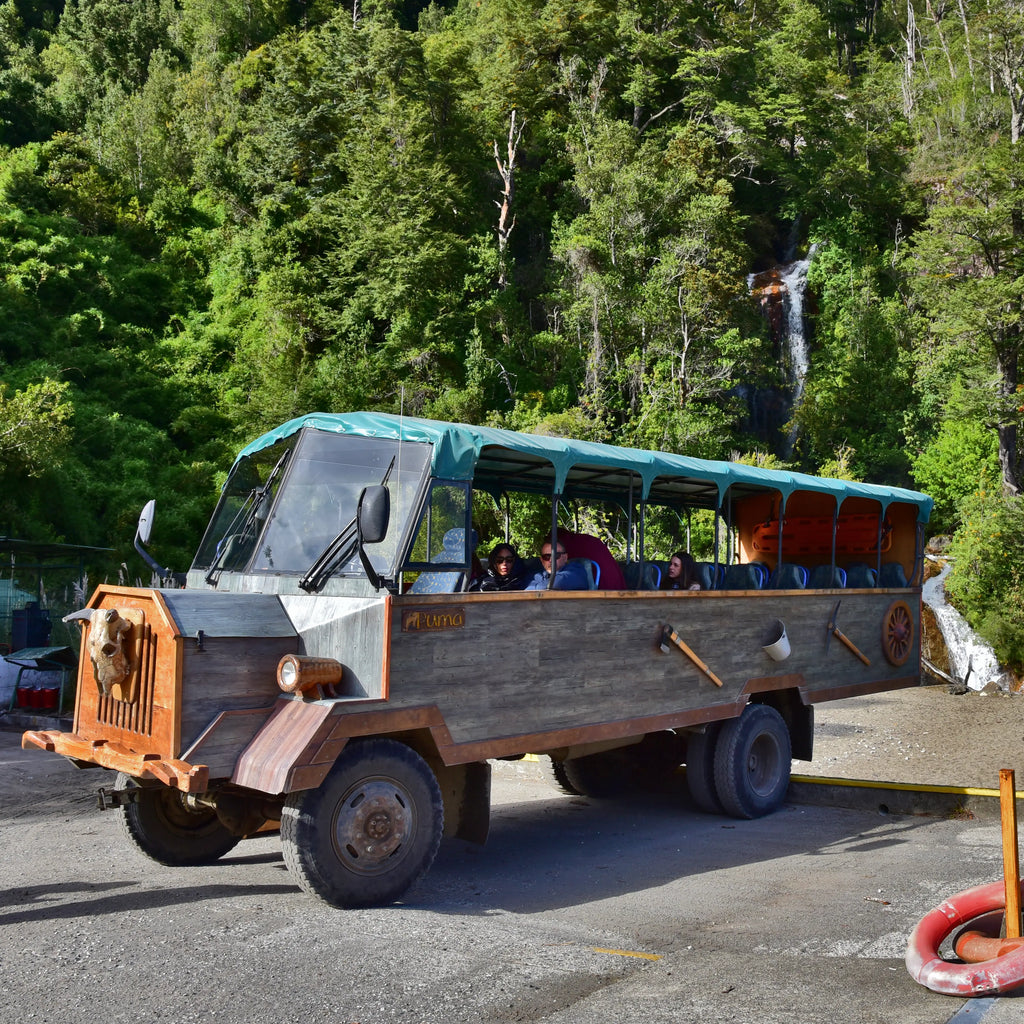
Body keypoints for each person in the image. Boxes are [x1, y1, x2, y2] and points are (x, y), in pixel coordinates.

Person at [525, 538, 591, 591]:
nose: (551, 560)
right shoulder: (538, 575)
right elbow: (526, 589)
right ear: (542, 560)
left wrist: (538, 588)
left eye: (556, 555)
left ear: (565, 557)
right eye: (546, 557)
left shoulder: (576, 570)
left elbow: (558, 582)